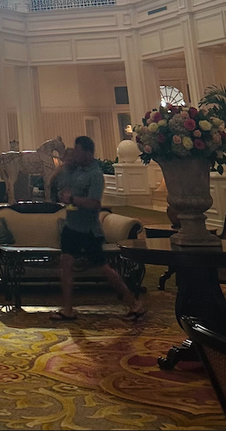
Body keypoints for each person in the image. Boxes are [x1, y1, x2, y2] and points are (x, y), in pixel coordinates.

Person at [53, 135, 144, 322]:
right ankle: (68, 309)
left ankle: (134, 303)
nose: (75, 153)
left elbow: (95, 203)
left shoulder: (95, 174)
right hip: (72, 227)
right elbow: (58, 183)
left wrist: (72, 200)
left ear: (87, 152)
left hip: (88, 231)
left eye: (78, 150)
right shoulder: (76, 169)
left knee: (103, 268)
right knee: (66, 265)